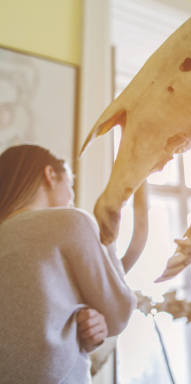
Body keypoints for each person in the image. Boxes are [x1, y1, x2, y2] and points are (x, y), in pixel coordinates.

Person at [0, 144, 135, 384]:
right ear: (50, 175)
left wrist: (86, 326)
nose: (72, 199)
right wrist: (109, 240)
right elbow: (118, 313)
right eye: (71, 186)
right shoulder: (70, 222)